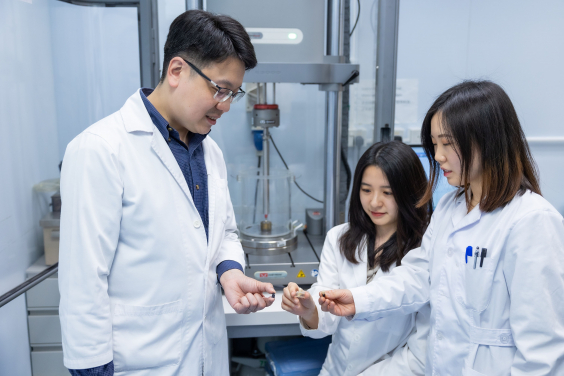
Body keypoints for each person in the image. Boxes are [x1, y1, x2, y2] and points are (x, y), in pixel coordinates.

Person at [58, 10, 275, 376]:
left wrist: (229, 270)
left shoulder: (210, 153)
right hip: (137, 364)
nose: (225, 105)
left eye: (233, 94)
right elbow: (83, 282)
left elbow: (225, 234)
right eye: (219, 89)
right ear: (176, 71)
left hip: (206, 358)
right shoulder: (100, 149)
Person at [318, 80, 564, 375]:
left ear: (487, 141)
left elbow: (543, 351)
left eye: (447, 143)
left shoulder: (531, 220)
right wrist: (358, 299)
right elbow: (416, 277)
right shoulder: (450, 208)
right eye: (435, 144)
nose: (437, 156)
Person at [282, 141, 432, 376]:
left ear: (409, 191)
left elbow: (421, 354)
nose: (374, 202)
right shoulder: (340, 237)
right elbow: (326, 311)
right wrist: (309, 310)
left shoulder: (424, 250)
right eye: (366, 190)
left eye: (387, 192)